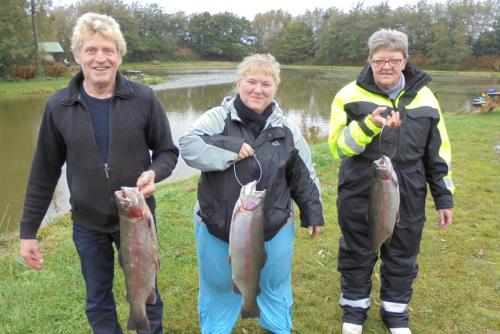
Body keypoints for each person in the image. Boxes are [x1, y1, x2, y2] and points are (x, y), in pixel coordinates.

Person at [19, 12, 178, 334]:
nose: (100, 58)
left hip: (137, 218)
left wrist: (153, 173)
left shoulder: (144, 98)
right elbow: (43, 172)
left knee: (148, 293)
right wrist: (28, 232)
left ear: (120, 54)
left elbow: (167, 152)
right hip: (88, 223)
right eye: (91, 50)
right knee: (97, 300)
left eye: (108, 50)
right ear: (77, 55)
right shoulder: (58, 106)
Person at [179, 53, 324, 334]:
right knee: (219, 287)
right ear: (238, 83)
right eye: (251, 81)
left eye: (266, 83)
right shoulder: (216, 118)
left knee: (273, 286)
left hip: (274, 224)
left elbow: (304, 173)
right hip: (215, 224)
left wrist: (313, 211)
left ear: (276, 88)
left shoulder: (287, 128)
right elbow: (188, 146)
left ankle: (278, 327)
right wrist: (230, 146)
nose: (258, 89)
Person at [328, 29, 454, 334]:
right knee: (357, 251)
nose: (386, 66)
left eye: (393, 60)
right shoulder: (349, 94)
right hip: (359, 189)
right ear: (370, 61)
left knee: (403, 254)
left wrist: (444, 197)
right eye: (379, 60)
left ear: (405, 60)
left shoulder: (425, 97)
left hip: (409, 190)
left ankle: (395, 313)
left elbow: (438, 152)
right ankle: (355, 311)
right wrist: (368, 126)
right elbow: (337, 148)